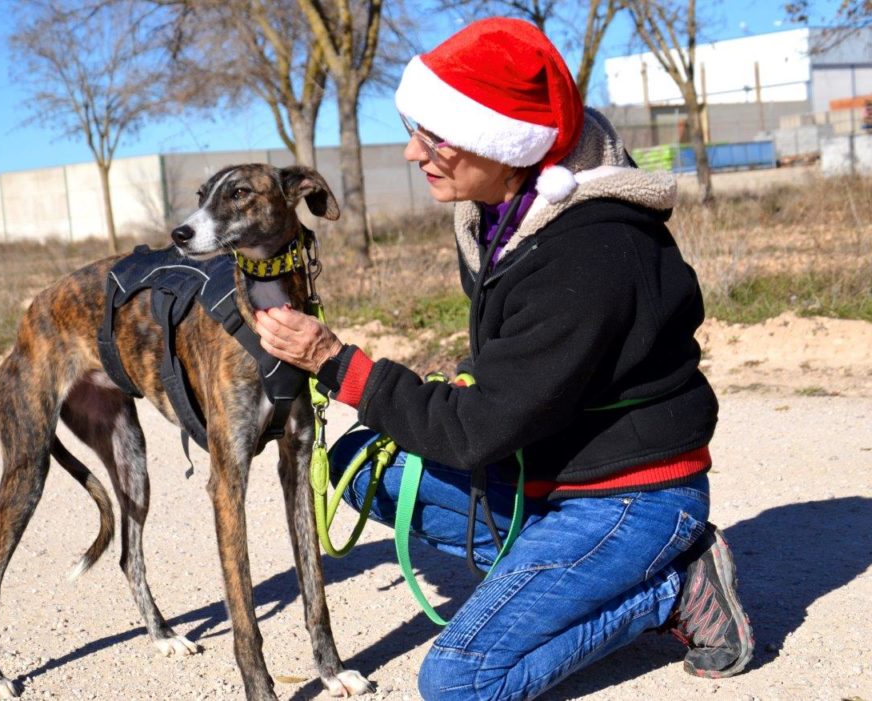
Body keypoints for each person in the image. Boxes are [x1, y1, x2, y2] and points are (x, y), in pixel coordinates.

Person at [254, 17, 753, 700]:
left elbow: (475, 429)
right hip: (553, 465)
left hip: (632, 494)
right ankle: (561, 580)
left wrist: (337, 362)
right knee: (366, 467)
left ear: (504, 139)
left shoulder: (588, 252)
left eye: (435, 136)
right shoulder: (505, 212)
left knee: (461, 678)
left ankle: (670, 588)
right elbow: (514, 374)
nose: (411, 152)